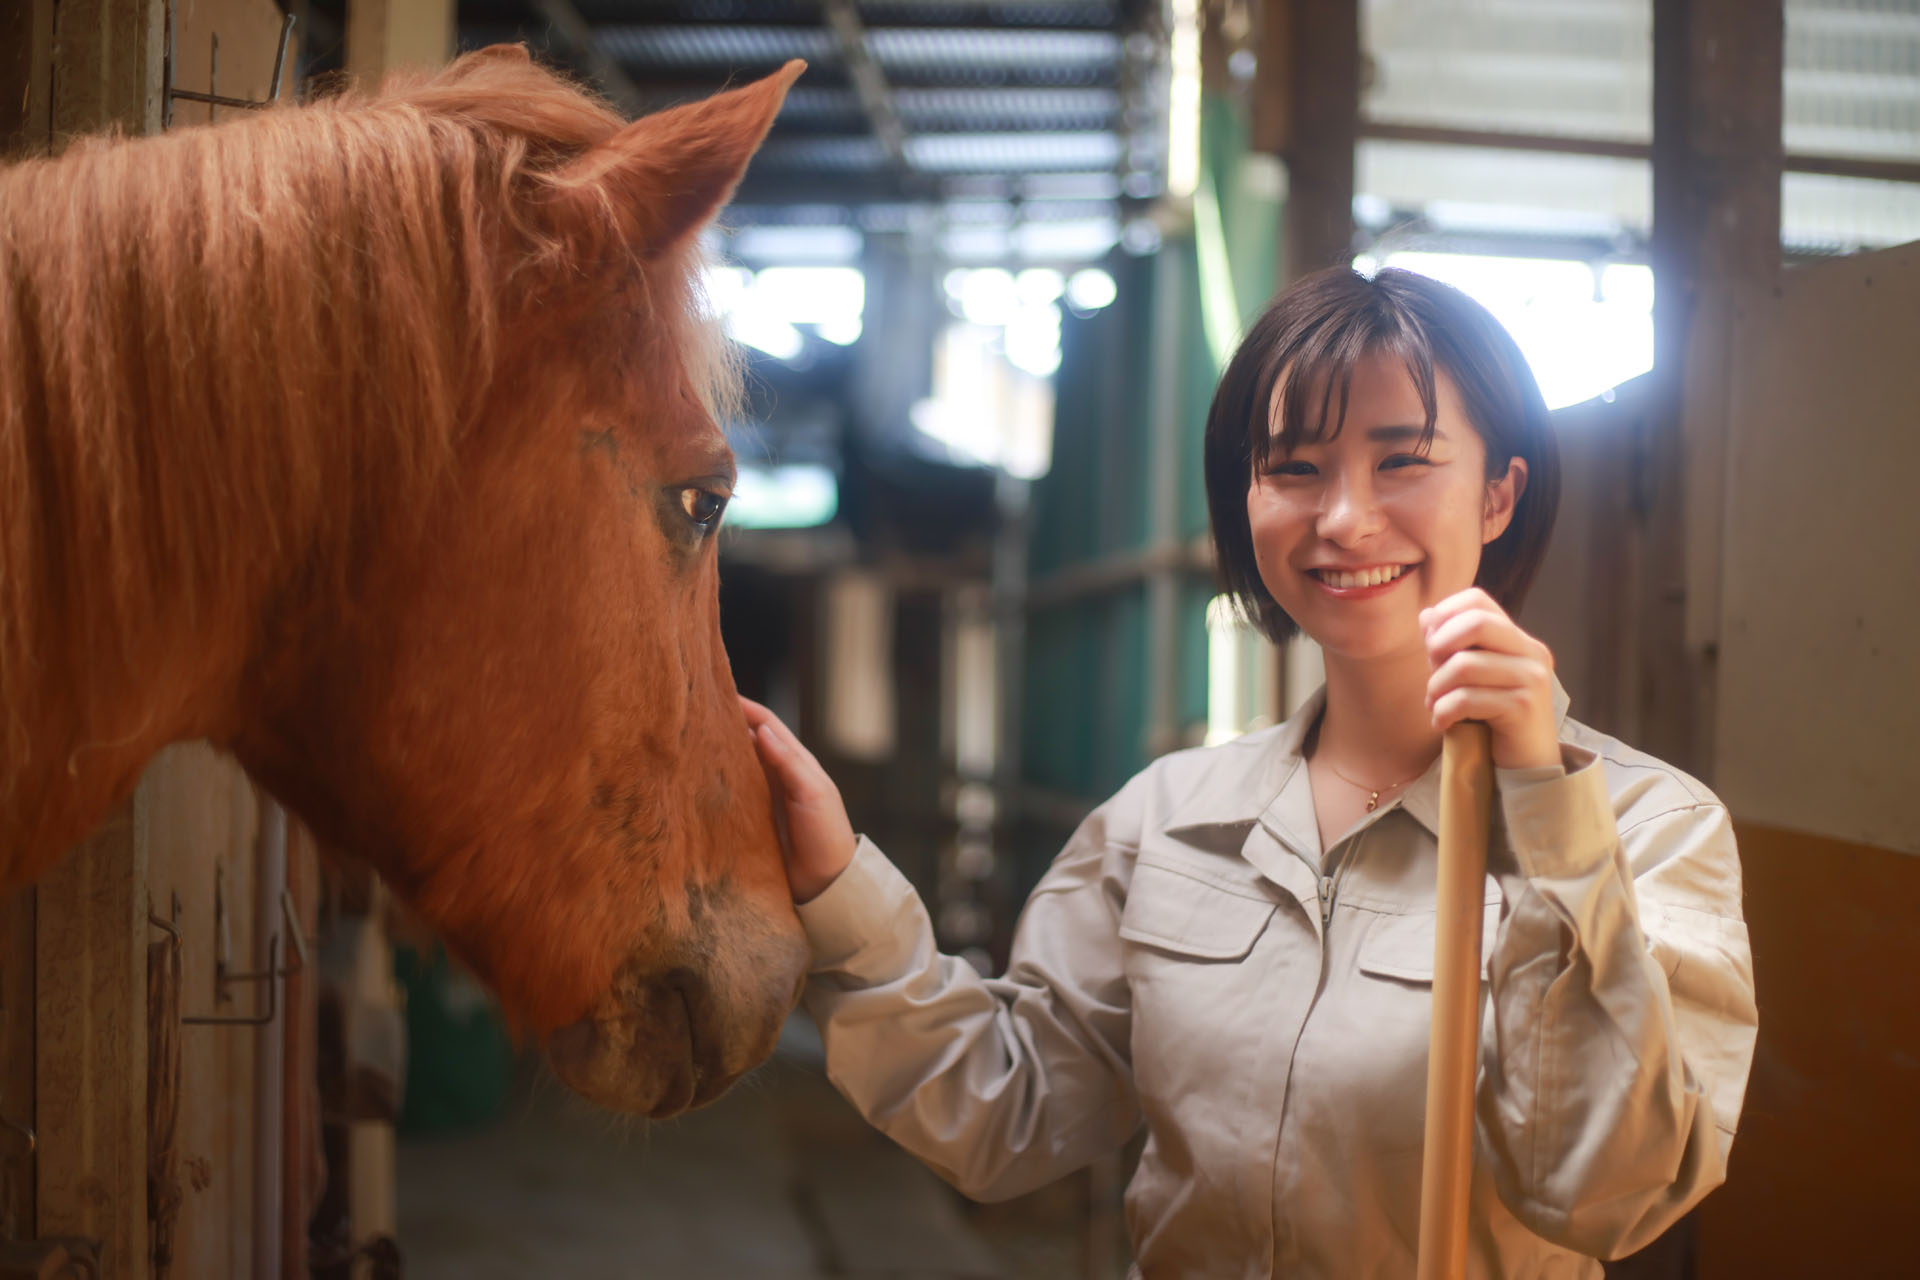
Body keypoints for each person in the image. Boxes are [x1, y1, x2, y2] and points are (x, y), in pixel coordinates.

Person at [740, 266, 1757, 1279]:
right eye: (1295, 468)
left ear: (1500, 494)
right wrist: (837, 881)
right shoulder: (1168, 817)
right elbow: (1003, 1110)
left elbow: (1605, 1194)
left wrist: (1544, 812)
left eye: (1403, 459)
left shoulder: (1651, 827)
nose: (1346, 519)